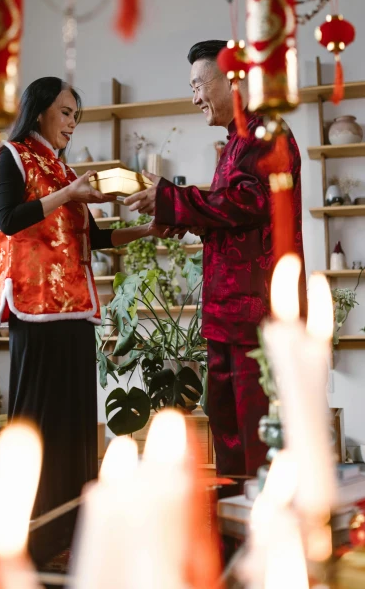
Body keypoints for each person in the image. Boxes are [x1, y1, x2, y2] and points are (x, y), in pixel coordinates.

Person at [125, 40, 305, 478]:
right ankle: (231, 525)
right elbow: (226, 212)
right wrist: (174, 205)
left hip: (256, 314)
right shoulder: (234, 144)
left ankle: (262, 529)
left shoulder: (267, 134)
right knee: (228, 432)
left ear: (234, 80)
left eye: (199, 85)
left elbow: (249, 201)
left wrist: (173, 200)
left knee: (257, 435)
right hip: (228, 313)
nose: (194, 98)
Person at [0, 76, 165, 515]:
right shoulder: (9, 155)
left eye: (76, 117)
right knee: (38, 415)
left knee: (74, 417)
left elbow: (95, 237)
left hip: (77, 304)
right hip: (34, 303)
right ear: (40, 109)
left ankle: (69, 514)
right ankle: (28, 517)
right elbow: (9, 220)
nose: (71, 124)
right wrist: (70, 193)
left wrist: (148, 229)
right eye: (65, 113)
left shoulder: (64, 169)